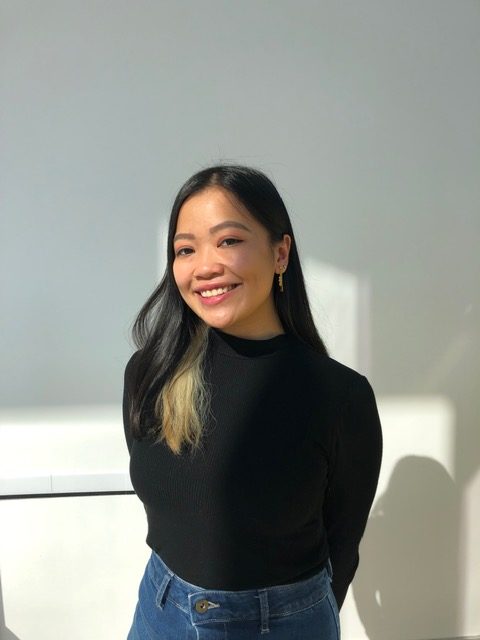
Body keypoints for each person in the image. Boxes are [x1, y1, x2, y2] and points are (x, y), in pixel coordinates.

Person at [122, 163, 383, 639]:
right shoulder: (150, 372)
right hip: (160, 614)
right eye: (185, 249)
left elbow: (343, 544)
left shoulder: (339, 397)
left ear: (280, 253)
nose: (205, 266)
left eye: (228, 241)